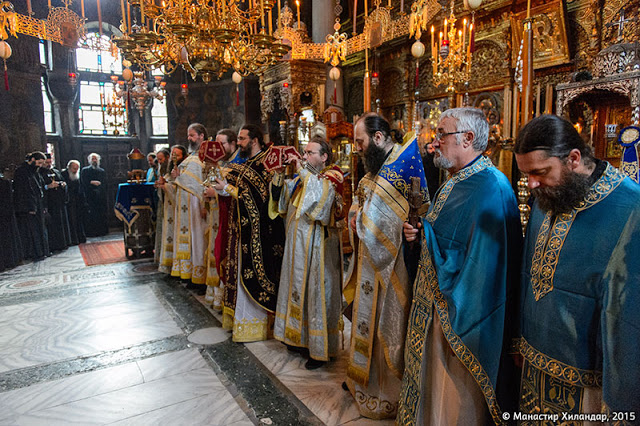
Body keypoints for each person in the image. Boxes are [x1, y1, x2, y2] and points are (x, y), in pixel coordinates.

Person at [397, 107, 522, 425]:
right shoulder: (457, 181)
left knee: (454, 400)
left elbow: (483, 264)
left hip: (463, 314)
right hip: (438, 309)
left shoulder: (491, 187)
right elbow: (447, 238)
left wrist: (425, 236)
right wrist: (419, 234)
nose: (435, 142)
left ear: (468, 138)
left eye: (442, 134)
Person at [514, 114, 640, 416]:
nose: (531, 184)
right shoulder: (549, 196)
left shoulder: (630, 207)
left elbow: (630, 309)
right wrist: (519, 339)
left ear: (573, 159)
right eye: (527, 175)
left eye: (540, 172)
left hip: (587, 382)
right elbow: (528, 271)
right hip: (534, 364)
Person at [342, 113, 430, 419]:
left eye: (360, 141)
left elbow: (417, 215)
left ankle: (386, 393)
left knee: (385, 319)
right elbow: (358, 202)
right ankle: (361, 382)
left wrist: (369, 220)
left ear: (378, 138)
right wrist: (356, 216)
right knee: (364, 317)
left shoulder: (403, 170)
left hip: (393, 266)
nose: (357, 148)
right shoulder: (371, 173)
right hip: (367, 261)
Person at [270, 136, 345, 370]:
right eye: (304, 152)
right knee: (297, 289)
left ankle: (320, 349)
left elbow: (319, 204)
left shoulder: (333, 176)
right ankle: (299, 339)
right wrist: (279, 174)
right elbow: (282, 204)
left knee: (317, 292)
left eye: (310, 152)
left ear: (324, 157)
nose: (304, 156)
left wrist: (302, 170)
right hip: (298, 246)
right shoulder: (304, 178)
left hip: (318, 246)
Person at [213, 124, 285, 342]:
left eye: (243, 139)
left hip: (260, 232)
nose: (240, 143)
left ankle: (255, 324)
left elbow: (262, 199)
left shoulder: (265, 163)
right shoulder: (247, 163)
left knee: (253, 272)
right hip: (241, 229)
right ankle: (239, 319)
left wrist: (228, 189)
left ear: (254, 140)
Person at [203, 128, 239, 309]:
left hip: (231, 220)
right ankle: (216, 295)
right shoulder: (221, 164)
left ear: (233, 144)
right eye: (216, 143)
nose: (218, 148)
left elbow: (241, 196)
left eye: (222, 143)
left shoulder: (239, 164)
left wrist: (215, 194)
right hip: (216, 218)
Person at [170, 124, 208, 292]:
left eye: (192, 135)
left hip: (197, 204)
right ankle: (192, 274)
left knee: (199, 240)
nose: (189, 138)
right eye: (188, 135)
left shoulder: (208, 153)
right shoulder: (192, 155)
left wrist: (204, 204)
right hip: (186, 206)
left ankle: (201, 278)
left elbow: (202, 181)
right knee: (192, 241)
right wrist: (177, 177)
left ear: (201, 135)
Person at [13, 151, 48, 260]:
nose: (40, 165)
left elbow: (39, 187)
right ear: (32, 160)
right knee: (31, 231)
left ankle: (42, 251)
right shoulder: (21, 171)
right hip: (27, 207)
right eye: (39, 162)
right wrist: (30, 207)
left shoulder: (35, 171)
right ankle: (34, 253)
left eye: (42, 163)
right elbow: (22, 191)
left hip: (37, 204)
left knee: (39, 229)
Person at [157, 145, 187, 274]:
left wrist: (165, 187)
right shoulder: (170, 171)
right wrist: (161, 185)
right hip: (169, 210)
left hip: (178, 212)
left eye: (178, 156)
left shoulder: (183, 170)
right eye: (173, 155)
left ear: (183, 156)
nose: (175, 158)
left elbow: (180, 190)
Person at [40, 154, 71, 252]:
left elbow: (63, 182)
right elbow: (39, 188)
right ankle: (54, 246)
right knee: (52, 225)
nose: (49, 164)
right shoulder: (40, 173)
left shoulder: (56, 171)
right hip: (49, 203)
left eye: (50, 162)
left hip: (59, 202)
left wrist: (63, 185)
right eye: (47, 163)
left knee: (61, 224)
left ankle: (63, 243)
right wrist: (48, 187)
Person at [81, 153, 108, 237]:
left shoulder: (101, 171)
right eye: (92, 159)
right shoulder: (85, 170)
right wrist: (91, 182)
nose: (94, 160)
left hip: (100, 196)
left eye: (96, 159)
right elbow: (83, 182)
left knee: (101, 214)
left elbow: (105, 183)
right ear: (89, 160)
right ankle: (91, 232)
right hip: (90, 196)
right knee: (91, 215)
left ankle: (102, 231)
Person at [62, 160, 86, 245]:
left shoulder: (77, 175)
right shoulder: (64, 174)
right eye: (74, 168)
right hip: (69, 202)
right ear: (69, 167)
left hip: (77, 201)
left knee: (79, 220)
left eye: (77, 168)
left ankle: (80, 238)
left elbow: (80, 187)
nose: (75, 170)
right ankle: (73, 239)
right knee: (72, 220)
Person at [153, 148, 171, 263]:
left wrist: (165, 185)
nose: (159, 162)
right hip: (163, 203)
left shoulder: (172, 170)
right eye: (158, 159)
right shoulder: (161, 170)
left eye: (161, 159)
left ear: (167, 158)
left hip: (170, 206)